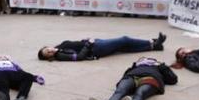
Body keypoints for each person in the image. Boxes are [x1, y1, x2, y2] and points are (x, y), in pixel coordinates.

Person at [88, 56, 178, 100]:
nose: (145, 59)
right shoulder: (135, 66)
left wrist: (162, 66)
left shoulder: (159, 66)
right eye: (142, 59)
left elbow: (173, 79)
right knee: (120, 91)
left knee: (140, 94)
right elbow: (125, 75)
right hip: (132, 76)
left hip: (150, 77)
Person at [38, 32, 166, 61]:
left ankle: (154, 46)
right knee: (124, 40)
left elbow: (75, 44)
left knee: (123, 47)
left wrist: (85, 40)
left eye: (46, 49)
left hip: (94, 43)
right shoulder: (60, 55)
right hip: (96, 49)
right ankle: (152, 43)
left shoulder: (58, 46)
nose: (49, 50)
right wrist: (89, 44)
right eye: (47, 53)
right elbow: (80, 57)